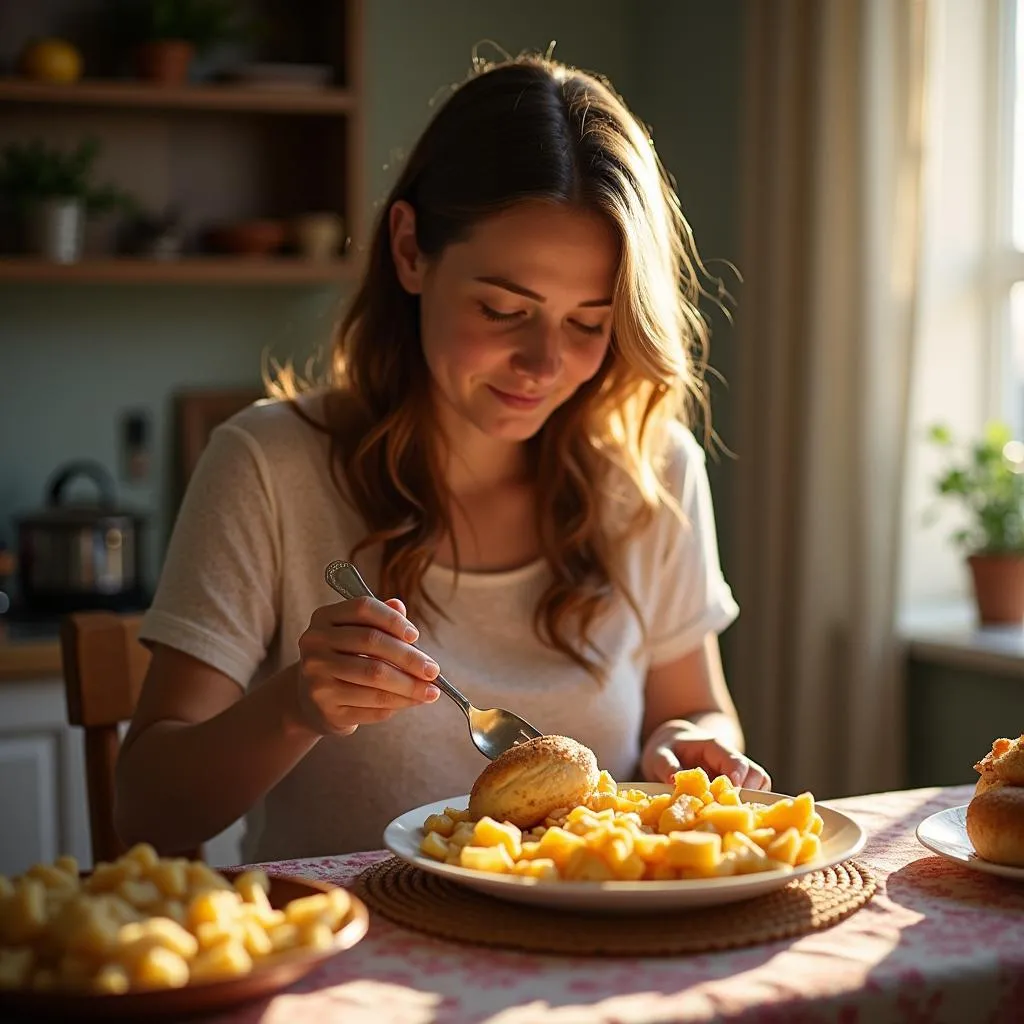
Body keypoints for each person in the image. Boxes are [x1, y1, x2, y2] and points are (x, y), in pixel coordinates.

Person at [115, 53, 770, 863]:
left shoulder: (652, 471)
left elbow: (700, 710)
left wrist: (691, 745)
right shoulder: (268, 466)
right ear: (410, 250)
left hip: (594, 956)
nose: (543, 364)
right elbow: (145, 811)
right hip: (346, 962)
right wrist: (295, 706)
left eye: (588, 323)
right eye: (504, 309)